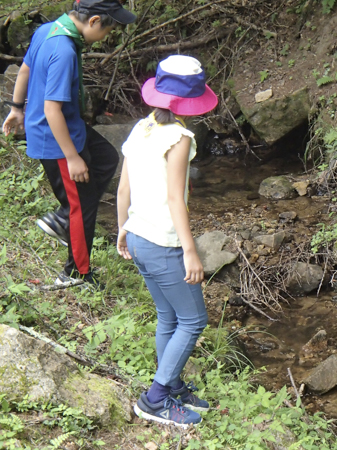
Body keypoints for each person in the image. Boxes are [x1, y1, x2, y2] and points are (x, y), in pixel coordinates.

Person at [2, 0, 136, 287]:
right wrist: (72, 157)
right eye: (109, 31)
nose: (107, 37)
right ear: (94, 21)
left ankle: (63, 218)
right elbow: (52, 110)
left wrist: (16, 108)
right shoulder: (63, 50)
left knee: (106, 158)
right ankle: (76, 273)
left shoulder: (48, 30)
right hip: (56, 137)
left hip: (69, 127)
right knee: (81, 207)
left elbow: (24, 69)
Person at [116, 55, 217, 428]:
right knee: (193, 320)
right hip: (162, 243)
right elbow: (177, 198)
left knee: (168, 315)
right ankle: (155, 398)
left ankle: (172, 386)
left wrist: (122, 227)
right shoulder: (180, 137)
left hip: (139, 235)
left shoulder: (141, 127)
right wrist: (191, 251)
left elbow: (124, 187)